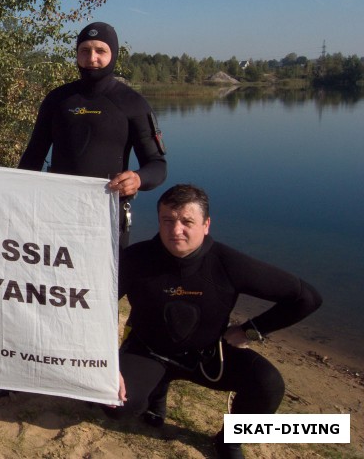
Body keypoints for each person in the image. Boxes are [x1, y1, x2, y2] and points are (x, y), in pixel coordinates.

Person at [107, 184, 322, 459]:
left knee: (268, 384)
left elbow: (307, 298)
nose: (176, 230)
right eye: (168, 220)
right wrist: (106, 364)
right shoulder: (136, 258)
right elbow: (95, 305)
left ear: (206, 225)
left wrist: (250, 330)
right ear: (159, 220)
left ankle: (230, 440)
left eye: (187, 222)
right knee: (116, 405)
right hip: (147, 351)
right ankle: (156, 394)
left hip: (208, 358)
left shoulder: (227, 263)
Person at [18, 21, 167, 247]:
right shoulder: (57, 99)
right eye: (85, 51)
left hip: (108, 216)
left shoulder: (132, 103)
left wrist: (138, 179)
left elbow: (157, 166)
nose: (92, 58)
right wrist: (16, 198)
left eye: (100, 51)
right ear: (77, 54)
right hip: (57, 213)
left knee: (106, 283)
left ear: (113, 54)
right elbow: (33, 157)